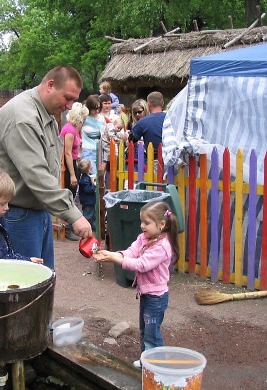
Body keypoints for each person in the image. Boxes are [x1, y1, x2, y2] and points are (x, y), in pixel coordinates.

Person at [0, 66, 93, 270]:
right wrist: (74, 215)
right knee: (23, 284)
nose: (70, 106)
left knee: (42, 278)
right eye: (67, 98)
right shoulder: (23, 117)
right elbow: (37, 175)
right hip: (16, 213)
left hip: (36, 210)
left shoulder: (48, 111)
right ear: (50, 85)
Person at [93, 201, 179, 368]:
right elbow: (131, 252)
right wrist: (112, 254)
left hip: (157, 298)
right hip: (147, 294)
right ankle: (146, 360)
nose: (142, 226)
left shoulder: (162, 246)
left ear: (162, 224)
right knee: (144, 330)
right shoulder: (144, 238)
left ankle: (156, 367)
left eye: (146, 223)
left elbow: (141, 264)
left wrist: (113, 260)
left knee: (151, 334)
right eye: (141, 221)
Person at [0, 169, 43, 263]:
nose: (7, 208)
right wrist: (27, 261)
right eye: (2, 204)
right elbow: (1, 261)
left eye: (8, 203)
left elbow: (10, 252)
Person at [60, 102, 89, 241]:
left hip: (73, 163)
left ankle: (70, 227)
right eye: (84, 116)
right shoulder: (70, 131)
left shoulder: (75, 129)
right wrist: (72, 174)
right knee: (69, 195)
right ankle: (68, 229)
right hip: (68, 165)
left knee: (71, 195)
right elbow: (67, 153)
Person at [129, 92, 166, 158]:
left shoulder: (142, 122)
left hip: (152, 160)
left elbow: (131, 140)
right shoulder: (170, 119)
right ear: (163, 103)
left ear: (148, 104)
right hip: (171, 158)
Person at [81, 95, 106, 177]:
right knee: (92, 175)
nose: (97, 110)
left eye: (98, 108)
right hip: (87, 150)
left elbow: (105, 133)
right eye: (94, 108)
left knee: (100, 177)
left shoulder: (102, 118)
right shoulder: (84, 118)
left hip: (99, 150)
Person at [77, 159, 97, 232]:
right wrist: (94, 185)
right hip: (88, 201)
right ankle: (84, 227)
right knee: (88, 215)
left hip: (90, 200)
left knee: (92, 214)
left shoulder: (87, 177)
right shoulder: (84, 180)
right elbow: (88, 190)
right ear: (88, 168)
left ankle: (93, 227)